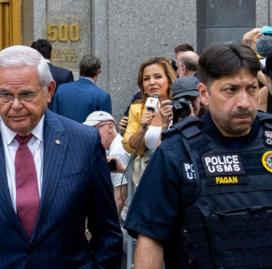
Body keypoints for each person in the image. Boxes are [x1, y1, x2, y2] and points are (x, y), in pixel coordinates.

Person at [0, 45, 123, 268]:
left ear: (49, 90)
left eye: (27, 94)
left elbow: (107, 231)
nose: (16, 105)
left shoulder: (83, 142)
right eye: (6, 95)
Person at [125, 43, 272, 269]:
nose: (244, 102)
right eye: (230, 90)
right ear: (204, 94)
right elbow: (150, 238)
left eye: (252, 89)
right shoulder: (176, 152)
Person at [122, 57, 175, 184]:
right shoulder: (137, 109)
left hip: (174, 170)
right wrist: (142, 128)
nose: (152, 82)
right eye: (146, 79)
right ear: (142, 86)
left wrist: (166, 125)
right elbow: (129, 147)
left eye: (158, 77)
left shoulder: (179, 106)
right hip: (147, 175)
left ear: (169, 79)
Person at [83, 111, 130, 214]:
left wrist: (108, 226)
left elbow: (120, 196)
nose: (91, 134)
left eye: (95, 129)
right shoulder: (114, 147)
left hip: (124, 218)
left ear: (110, 127)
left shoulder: (117, 151)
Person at [50, 55, 112, 123]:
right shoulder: (102, 97)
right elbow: (106, 128)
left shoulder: (61, 89)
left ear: (80, 70)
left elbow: (53, 119)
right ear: (98, 71)